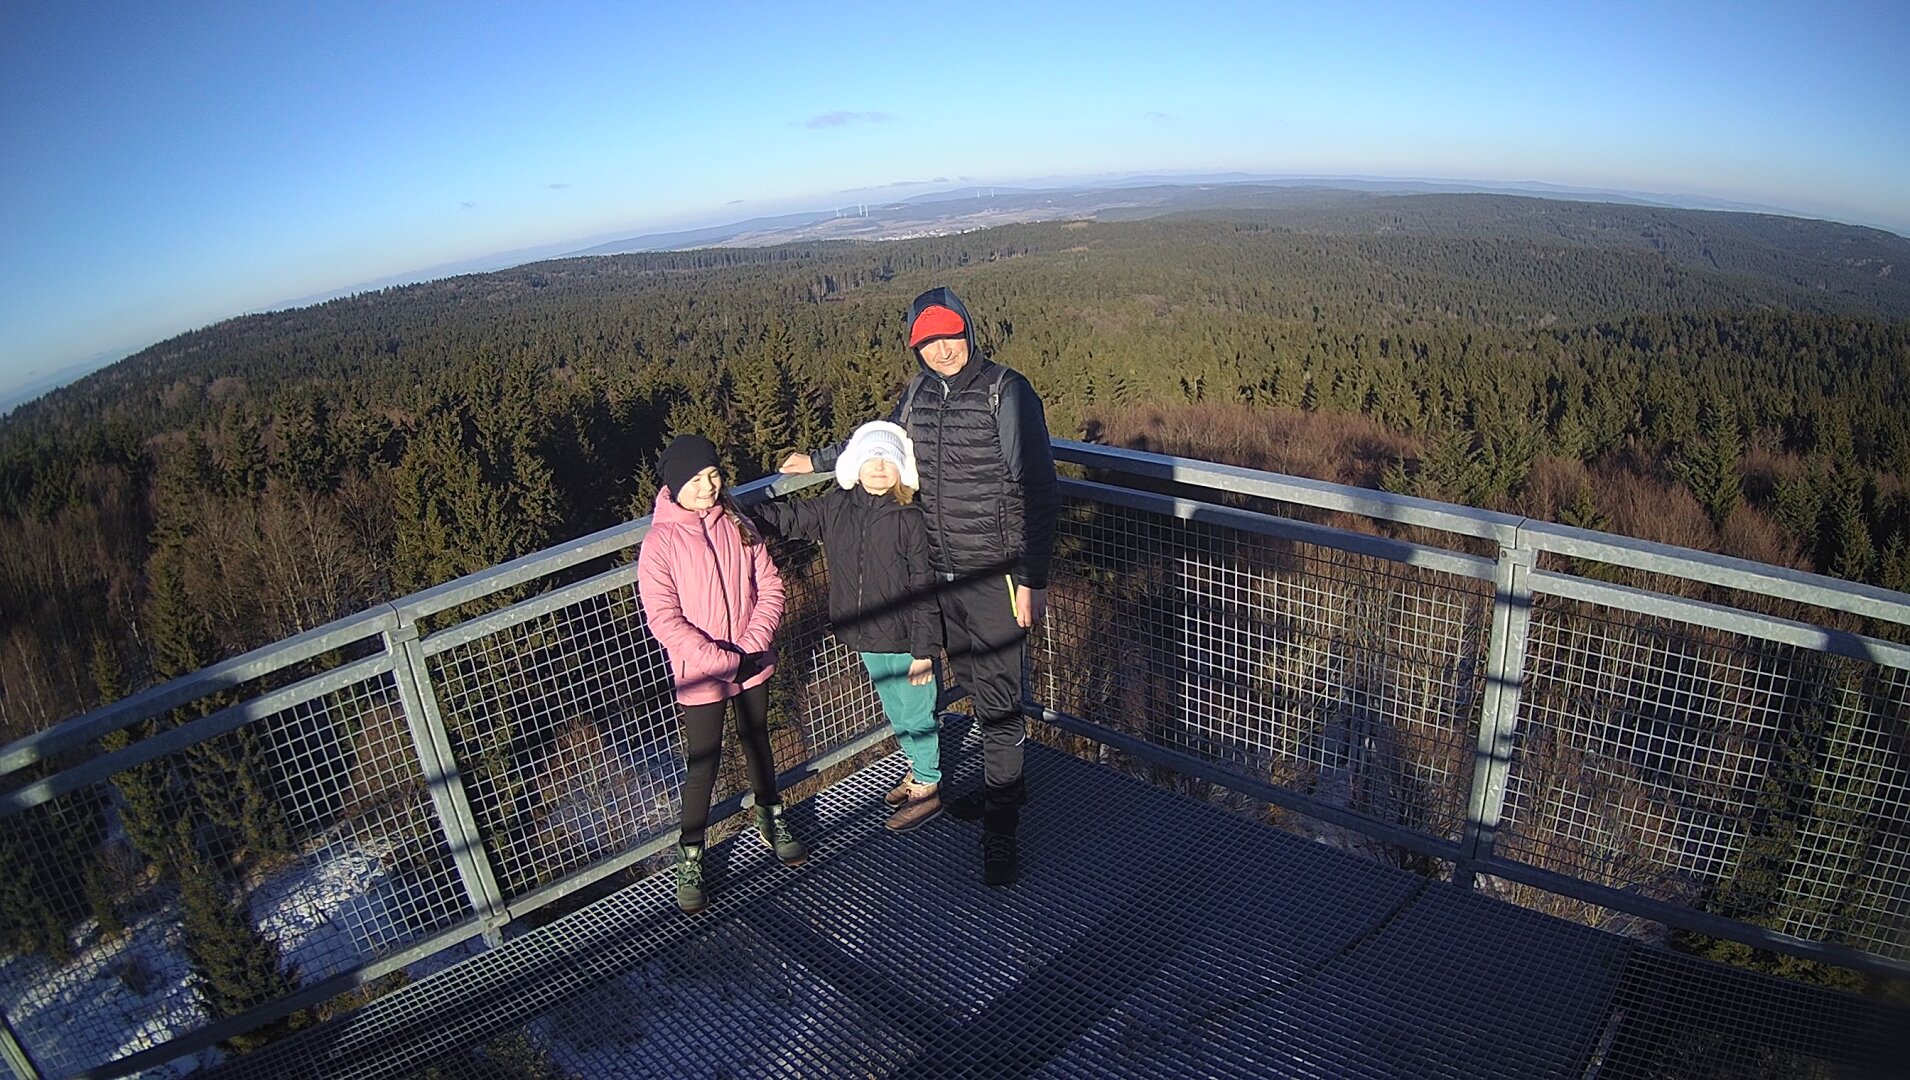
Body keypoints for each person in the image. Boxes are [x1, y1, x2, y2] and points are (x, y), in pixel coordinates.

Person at [781, 287, 1058, 886]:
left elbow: (1038, 487)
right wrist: (821, 462)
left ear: (969, 331)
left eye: (949, 335)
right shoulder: (919, 394)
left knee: (999, 702)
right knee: (974, 689)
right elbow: (878, 445)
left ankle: (1001, 828)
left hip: (993, 576)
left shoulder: (1006, 391)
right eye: (928, 341)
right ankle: (1003, 790)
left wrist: (1032, 578)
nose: (941, 350)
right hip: (937, 576)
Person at [637, 433, 806, 914]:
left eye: (712, 475)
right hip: (702, 672)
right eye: (695, 479)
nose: (707, 487)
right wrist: (721, 660)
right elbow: (664, 619)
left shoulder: (738, 522)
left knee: (758, 742)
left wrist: (751, 644)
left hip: (752, 660)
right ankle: (690, 855)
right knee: (703, 764)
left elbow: (770, 585)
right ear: (675, 485)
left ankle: (771, 816)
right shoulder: (660, 543)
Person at [754, 420, 945, 832]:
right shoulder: (836, 507)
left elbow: (925, 586)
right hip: (867, 634)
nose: (879, 467)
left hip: (907, 639)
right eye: (871, 459)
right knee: (897, 709)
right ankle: (917, 767)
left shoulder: (910, 517)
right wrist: (735, 515)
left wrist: (925, 651)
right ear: (854, 466)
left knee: (918, 710)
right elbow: (789, 517)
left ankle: (928, 784)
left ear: (901, 470)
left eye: (888, 461)